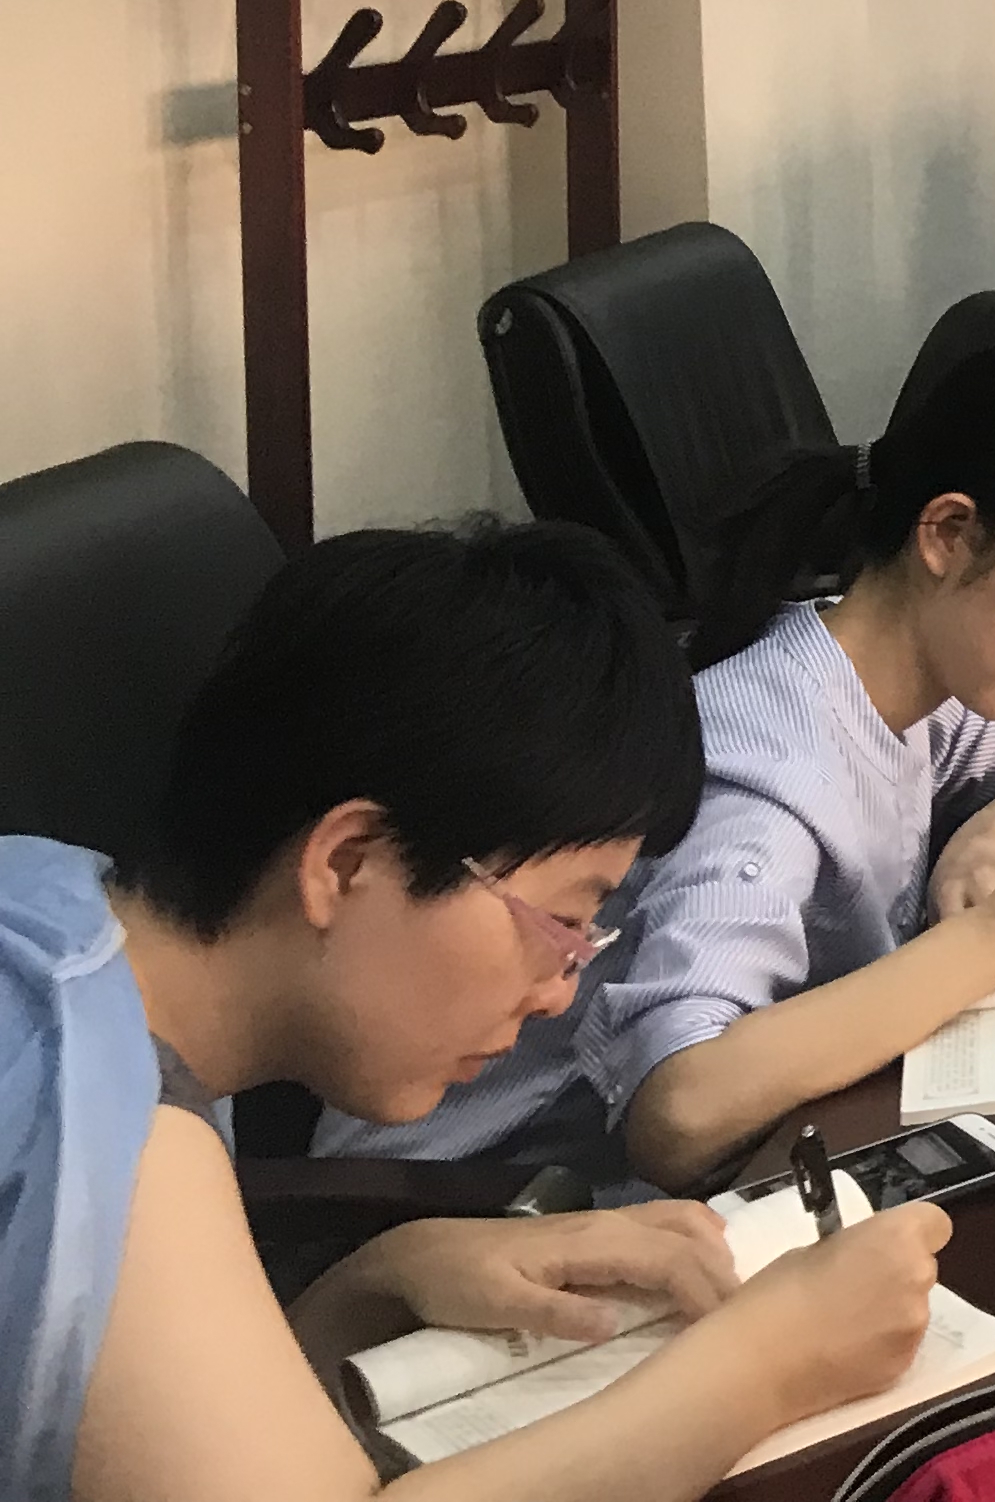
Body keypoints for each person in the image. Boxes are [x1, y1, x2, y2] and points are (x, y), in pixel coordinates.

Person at [9, 521, 946, 1502]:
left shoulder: (55, 909)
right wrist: (767, 1366)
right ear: (347, 863)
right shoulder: (103, 1116)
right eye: (561, 922)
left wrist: (380, 1280)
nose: (560, 989)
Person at [324, 342, 995, 1188]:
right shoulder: (767, 780)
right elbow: (680, 1113)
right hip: (455, 1202)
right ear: (949, 534)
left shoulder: (896, 676)